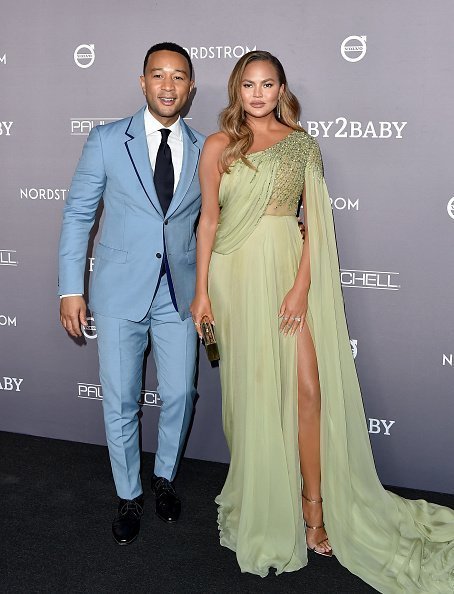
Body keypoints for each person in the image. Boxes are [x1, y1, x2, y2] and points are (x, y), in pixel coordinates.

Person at [191, 50, 454, 591]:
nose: (258, 94)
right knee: (257, 391)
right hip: (232, 276)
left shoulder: (303, 145)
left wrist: (301, 287)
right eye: (248, 85)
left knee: (308, 389)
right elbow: (208, 222)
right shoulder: (218, 146)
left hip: (288, 270)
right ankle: (268, 499)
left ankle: (315, 510)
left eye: (267, 84)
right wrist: (201, 295)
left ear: (281, 88)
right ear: (235, 91)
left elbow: (316, 223)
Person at [59, 42, 205, 545]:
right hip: (120, 293)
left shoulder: (207, 148)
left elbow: (214, 226)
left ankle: (163, 479)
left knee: (181, 393)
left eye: (178, 76)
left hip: (179, 295)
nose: (168, 85)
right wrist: (69, 289)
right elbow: (79, 215)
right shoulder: (105, 140)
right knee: (120, 400)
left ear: (190, 88)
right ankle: (128, 493)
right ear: (142, 82)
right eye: (158, 75)